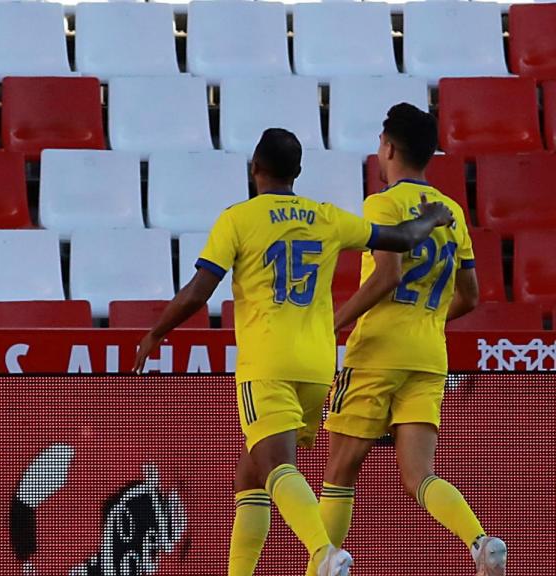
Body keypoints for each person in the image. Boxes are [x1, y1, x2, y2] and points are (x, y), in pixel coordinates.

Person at [132, 128, 455, 576]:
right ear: (298, 173)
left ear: (255, 169)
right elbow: (399, 239)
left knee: (275, 466)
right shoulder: (324, 216)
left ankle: (324, 552)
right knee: (249, 476)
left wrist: (156, 332)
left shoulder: (239, 218)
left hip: (268, 363)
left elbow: (198, 292)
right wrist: (433, 217)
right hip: (318, 366)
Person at [319, 103, 506, 576]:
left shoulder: (383, 204)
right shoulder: (452, 213)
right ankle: (480, 542)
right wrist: (430, 323)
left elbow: (386, 277)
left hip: (379, 349)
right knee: (418, 476)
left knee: (341, 470)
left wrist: (332, 324)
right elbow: (472, 295)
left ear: (389, 147)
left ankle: (322, 568)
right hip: (429, 354)